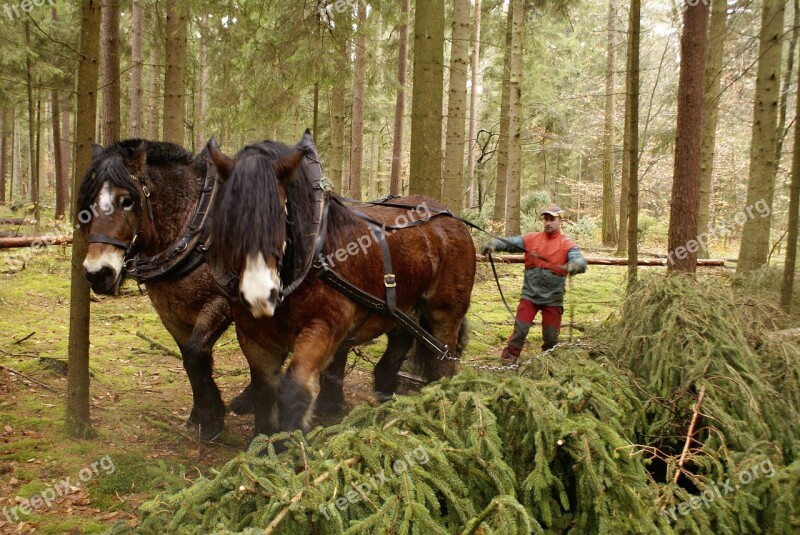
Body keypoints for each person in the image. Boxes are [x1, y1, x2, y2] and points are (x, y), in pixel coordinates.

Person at [481, 205, 587, 363]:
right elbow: (510, 242)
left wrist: (574, 265)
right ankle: (508, 360)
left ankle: (548, 363)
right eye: (546, 219)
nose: (548, 222)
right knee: (520, 330)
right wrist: (494, 244)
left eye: (552, 219)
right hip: (529, 296)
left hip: (553, 299)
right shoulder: (531, 239)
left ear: (560, 221)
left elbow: (579, 260)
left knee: (551, 338)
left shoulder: (567, 244)